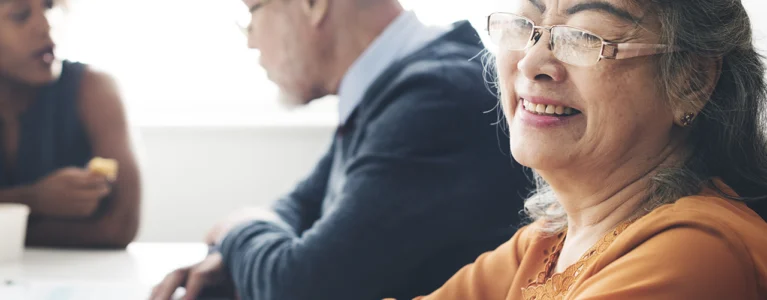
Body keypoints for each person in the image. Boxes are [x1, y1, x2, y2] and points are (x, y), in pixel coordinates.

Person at [150, 0, 534, 299]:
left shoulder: (434, 99)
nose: (250, 38)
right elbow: (301, 206)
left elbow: (299, 290)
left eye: (252, 13)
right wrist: (238, 256)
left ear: (314, 4)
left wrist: (237, 228)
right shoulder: (394, 87)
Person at [412, 0, 767, 299]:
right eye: (524, 25)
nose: (531, 64)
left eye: (584, 36)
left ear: (691, 81)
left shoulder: (697, 252)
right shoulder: (545, 245)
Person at [0, 0, 141, 248]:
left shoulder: (94, 89)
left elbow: (119, 227)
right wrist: (33, 199)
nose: (46, 25)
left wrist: (13, 228)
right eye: (20, 15)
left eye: (49, 7)